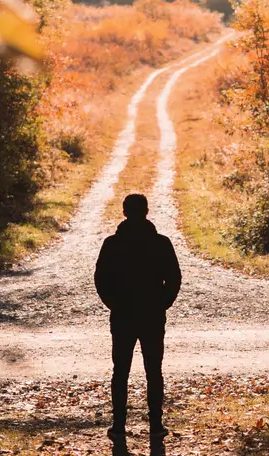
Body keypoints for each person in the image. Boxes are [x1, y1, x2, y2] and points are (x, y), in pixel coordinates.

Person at [94, 193, 182, 450]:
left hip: (122, 315)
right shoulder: (161, 243)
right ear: (146, 211)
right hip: (153, 315)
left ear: (124, 212)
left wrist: (113, 303)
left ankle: (119, 425)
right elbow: (174, 278)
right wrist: (162, 303)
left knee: (120, 371)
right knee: (154, 371)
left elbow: (101, 279)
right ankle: (156, 425)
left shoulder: (112, 244)